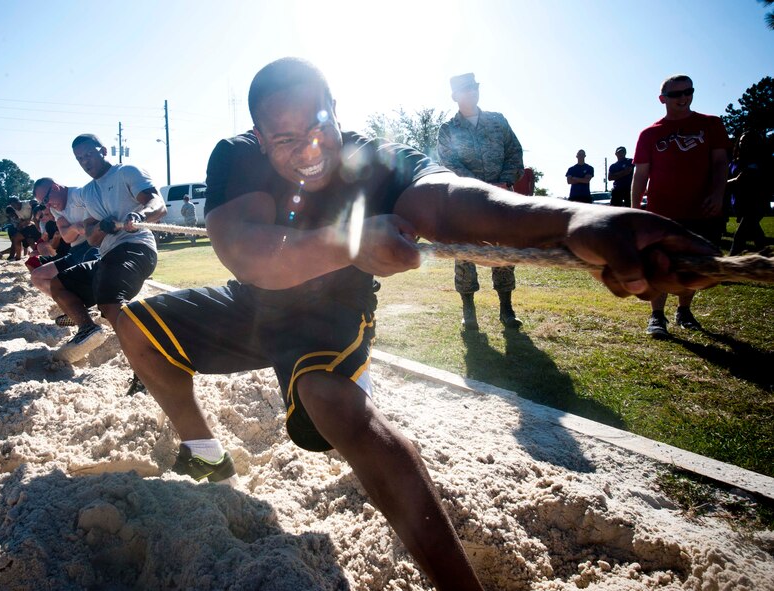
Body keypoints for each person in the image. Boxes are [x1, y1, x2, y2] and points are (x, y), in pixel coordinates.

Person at [114, 58, 719, 591]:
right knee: (136, 325)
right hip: (253, 302)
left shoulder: (375, 157)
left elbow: (450, 199)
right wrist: (350, 240)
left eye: (318, 123)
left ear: (337, 109)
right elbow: (246, 253)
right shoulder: (235, 156)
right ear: (258, 136)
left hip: (329, 310)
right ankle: (206, 452)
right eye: (285, 138)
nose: (308, 147)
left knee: (332, 402)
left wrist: (573, 221)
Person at [48, 134, 166, 363]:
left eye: (89, 155)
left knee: (109, 301)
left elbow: (157, 204)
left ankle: (150, 358)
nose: (85, 162)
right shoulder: (87, 193)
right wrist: (102, 228)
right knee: (58, 284)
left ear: (103, 151)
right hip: (108, 255)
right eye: (79, 158)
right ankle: (87, 328)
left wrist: (139, 215)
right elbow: (92, 239)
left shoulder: (126, 172)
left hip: (137, 247)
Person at [631, 74, 730, 338]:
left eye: (689, 91)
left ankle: (684, 311)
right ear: (662, 99)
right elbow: (640, 175)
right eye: (676, 94)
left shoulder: (710, 124)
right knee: (659, 266)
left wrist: (719, 194)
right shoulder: (650, 134)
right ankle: (657, 316)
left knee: (692, 267)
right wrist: (634, 211)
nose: (684, 98)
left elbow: (721, 164)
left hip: (701, 211)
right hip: (661, 214)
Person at [437, 72, 525, 330]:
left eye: (474, 88)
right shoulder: (448, 129)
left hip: (500, 199)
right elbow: (448, 163)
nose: (471, 92)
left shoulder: (497, 122)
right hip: (466, 202)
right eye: (465, 90)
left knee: (503, 252)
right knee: (464, 253)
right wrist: (478, 186)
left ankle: (506, 309)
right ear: (455, 96)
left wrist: (505, 181)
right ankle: (468, 311)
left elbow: (515, 153)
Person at [29, 178, 100, 307]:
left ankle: (82, 305)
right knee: (37, 277)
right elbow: (67, 238)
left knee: (92, 274)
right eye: (44, 204)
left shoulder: (81, 195)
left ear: (55, 188)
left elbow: (92, 229)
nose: (48, 206)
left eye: (46, 200)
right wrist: (74, 228)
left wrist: (74, 229)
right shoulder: (56, 208)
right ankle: (74, 305)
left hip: (95, 247)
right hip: (75, 251)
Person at [727, 131, 769, 256]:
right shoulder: (735, 162)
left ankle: (729, 264)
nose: (744, 144)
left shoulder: (760, 162)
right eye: (742, 141)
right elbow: (729, 180)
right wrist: (733, 181)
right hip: (740, 205)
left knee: (739, 238)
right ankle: (768, 261)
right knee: (757, 237)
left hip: (755, 205)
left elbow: (743, 181)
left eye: (748, 142)